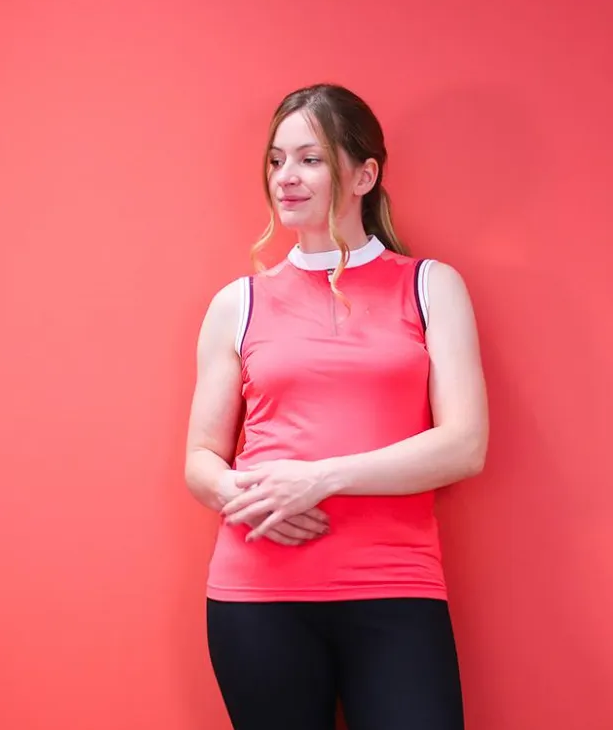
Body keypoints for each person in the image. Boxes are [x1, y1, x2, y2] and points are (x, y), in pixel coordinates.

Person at [184, 82, 489, 730]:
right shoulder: (237, 302)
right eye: (276, 160)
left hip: (395, 589)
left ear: (364, 175)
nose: (286, 177)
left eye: (310, 159)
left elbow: (464, 445)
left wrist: (318, 479)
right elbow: (201, 458)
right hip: (256, 595)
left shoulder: (430, 286)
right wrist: (249, 494)